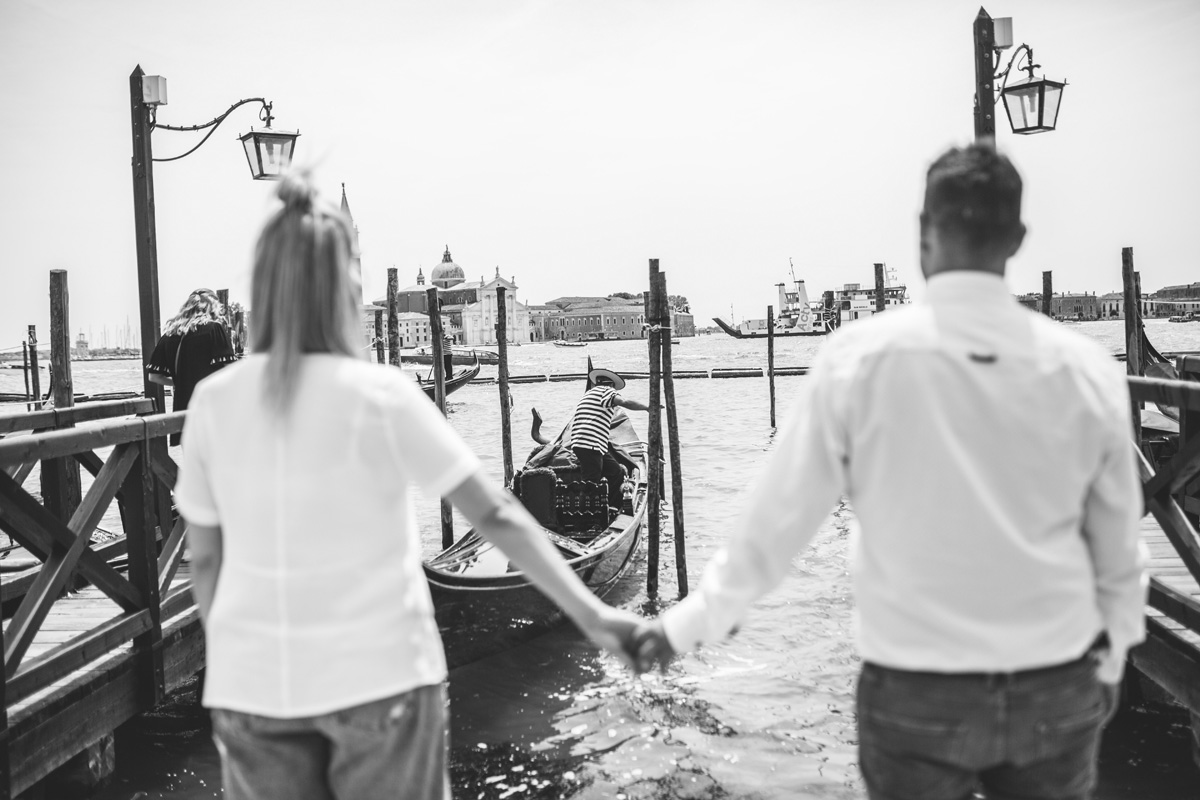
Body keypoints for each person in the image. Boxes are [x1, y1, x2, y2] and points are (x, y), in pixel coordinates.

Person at [633, 143, 1147, 800]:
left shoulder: (858, 360)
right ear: (1017, 238)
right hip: (1056, 681)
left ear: (923, 235)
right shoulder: (1088, 372)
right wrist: (1118, 650)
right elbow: (1118, 546)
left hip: (915, 689)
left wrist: (683, 628)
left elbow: (773, 533)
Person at [173, 172, 643, 800]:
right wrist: (595, 615)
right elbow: (498, 517)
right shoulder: (384, 392)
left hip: (257, 688)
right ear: (346, 286)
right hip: (382, 678)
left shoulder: (211, 401)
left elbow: (206, 559)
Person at [147, 288, 236, 428]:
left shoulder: (169, 335)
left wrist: (180, 383)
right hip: (211, 409)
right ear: (213, 307)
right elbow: (231, 372)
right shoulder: (214, 329)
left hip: (182, 411)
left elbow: (154, 377)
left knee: (190, 450)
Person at [568, 368, 650, 510]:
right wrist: (648, 407)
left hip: (589, 443)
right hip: (590, 443)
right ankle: (583, 514)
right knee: (591, 482)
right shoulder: (606, 391)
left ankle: (612, 507)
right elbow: (624, 402)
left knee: (616, 472)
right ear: (610, 385)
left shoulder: (589, 394)